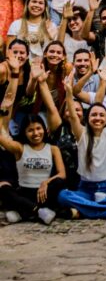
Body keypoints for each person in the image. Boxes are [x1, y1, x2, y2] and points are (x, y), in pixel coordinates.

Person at [57, 77, 106, 219]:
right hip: (85, 189)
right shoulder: (81, 133)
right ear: (87, 118)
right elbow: (73, 117)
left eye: (101, 115)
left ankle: (83, 211)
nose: (97, 118)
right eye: (94, 115)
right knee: (63, 196)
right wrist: (68, 91)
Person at [0, 66, 65, 225]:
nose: (35, 133)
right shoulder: (19, 148)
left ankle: (24, 211)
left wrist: (46, 182)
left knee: (59, 183)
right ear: (24, 132)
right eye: (30, 130)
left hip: (44, 192)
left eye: (38, 129)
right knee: (3, 188)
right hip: (25, 192)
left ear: (44, 129)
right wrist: (3, 110)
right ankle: (36, 211)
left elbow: (62, 174)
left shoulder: (53, 149)